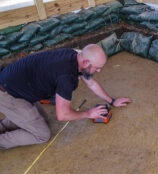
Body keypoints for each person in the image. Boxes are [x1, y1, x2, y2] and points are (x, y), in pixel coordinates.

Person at [0, 44, 131, 149]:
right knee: (42, 135)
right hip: (8, 93)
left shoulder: (74, 55)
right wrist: (88, 114)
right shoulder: (66, 77)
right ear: (86, 62)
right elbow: (62, 115)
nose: (99, 71)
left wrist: (112, 101)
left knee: (42, 119)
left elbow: (90, 83)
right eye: (97, 68)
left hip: (19, 86)